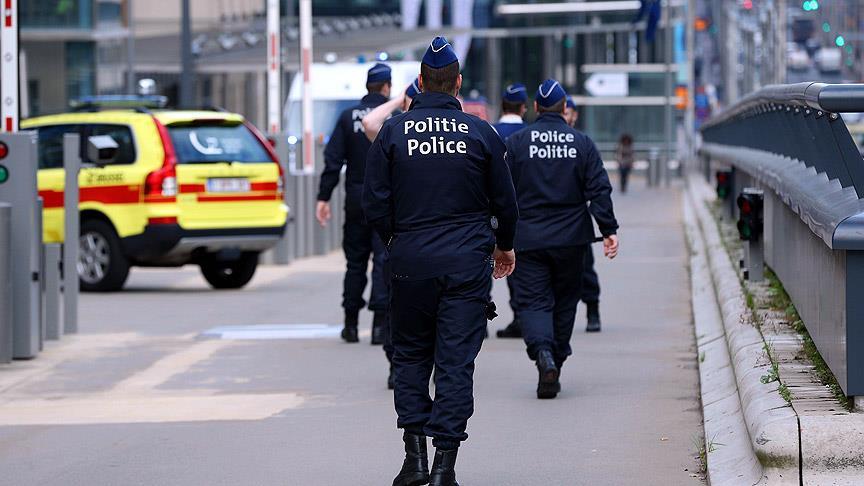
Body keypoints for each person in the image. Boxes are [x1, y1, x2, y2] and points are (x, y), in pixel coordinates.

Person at [363, 36, 518, 486]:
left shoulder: (394, 131)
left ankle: (414, 460)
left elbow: (374, 201)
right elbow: (505, 203)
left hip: (410, 262)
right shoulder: (481, 132)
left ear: (419, 82)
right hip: (466, 265)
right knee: (455, 362)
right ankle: (444, 467)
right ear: (458, 84)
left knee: (410, 357)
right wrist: (502, 245)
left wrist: (397, 240)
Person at [506, 79, 619, 399]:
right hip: (572, 240)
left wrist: (496, 233)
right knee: (565, 300)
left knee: (532, 301)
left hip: (528, 239)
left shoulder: (517, 143)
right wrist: (608, 229)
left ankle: (543, 354)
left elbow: (501, 193)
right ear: (564, 109)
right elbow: (598, 188)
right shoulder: (581, 143)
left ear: (537, 108)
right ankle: (557, 355)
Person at [316, 62, 392, 345]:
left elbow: (333, 161)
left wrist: (323, 197)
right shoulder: (393, 117)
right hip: (384, 201)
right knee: (383, 261)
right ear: (386, 87)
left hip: (355, 200)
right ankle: (379, 327)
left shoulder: (348, 117)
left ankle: (350, 324)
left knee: (355, 263)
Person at [562, 96, 604, 333]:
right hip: (549, 221)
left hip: (577, 220)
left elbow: (597, 185)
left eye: (568, 112)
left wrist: (606, 226)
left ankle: (593, 308)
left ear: (575, 115)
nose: (565, 116)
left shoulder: (582, 143)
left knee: (586, 269)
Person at [491, 83, 529, 339]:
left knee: (480, 265)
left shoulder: (489, 131)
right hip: (523, 212)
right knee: (521, 269)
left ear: (503, 104)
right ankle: (521, 317)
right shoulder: (529, 134)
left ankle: (477, 320)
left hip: (486, 211)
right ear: (525, 107)